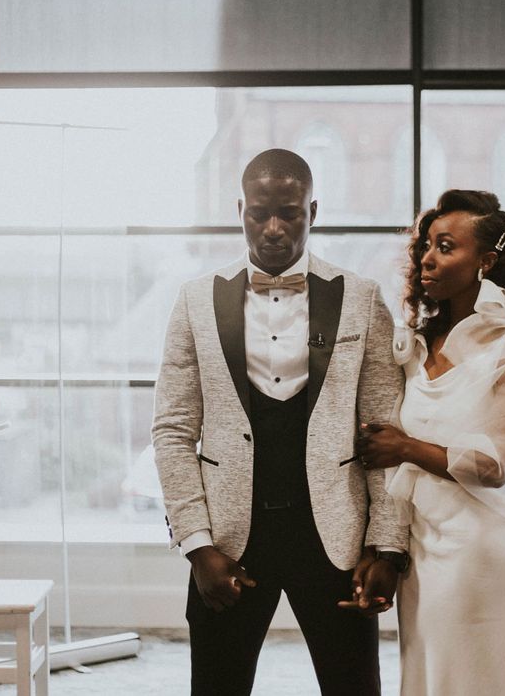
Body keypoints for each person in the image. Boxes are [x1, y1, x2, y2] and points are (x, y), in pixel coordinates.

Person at [152, 148, 409, 696]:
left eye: (289, 212)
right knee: (217, 687)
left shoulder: (360, 297)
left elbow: (385, 435)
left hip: (335, 536)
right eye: (259, 212)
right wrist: (198, 545)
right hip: (228, 541)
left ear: (313, 212)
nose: (273, 228)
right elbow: (173, 431)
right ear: (239, 210)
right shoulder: (196, 300)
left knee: (353, 687)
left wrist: (386, 546)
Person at [359, 189, 505, 696]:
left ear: (487, 261)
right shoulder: (417, 337)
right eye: (426, 246)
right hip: (423, 539)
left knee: (469, 679)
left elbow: (495, 464)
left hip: (477, 542)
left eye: (446, 246)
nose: (427, 258)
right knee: (428, 673)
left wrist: (405, 448)